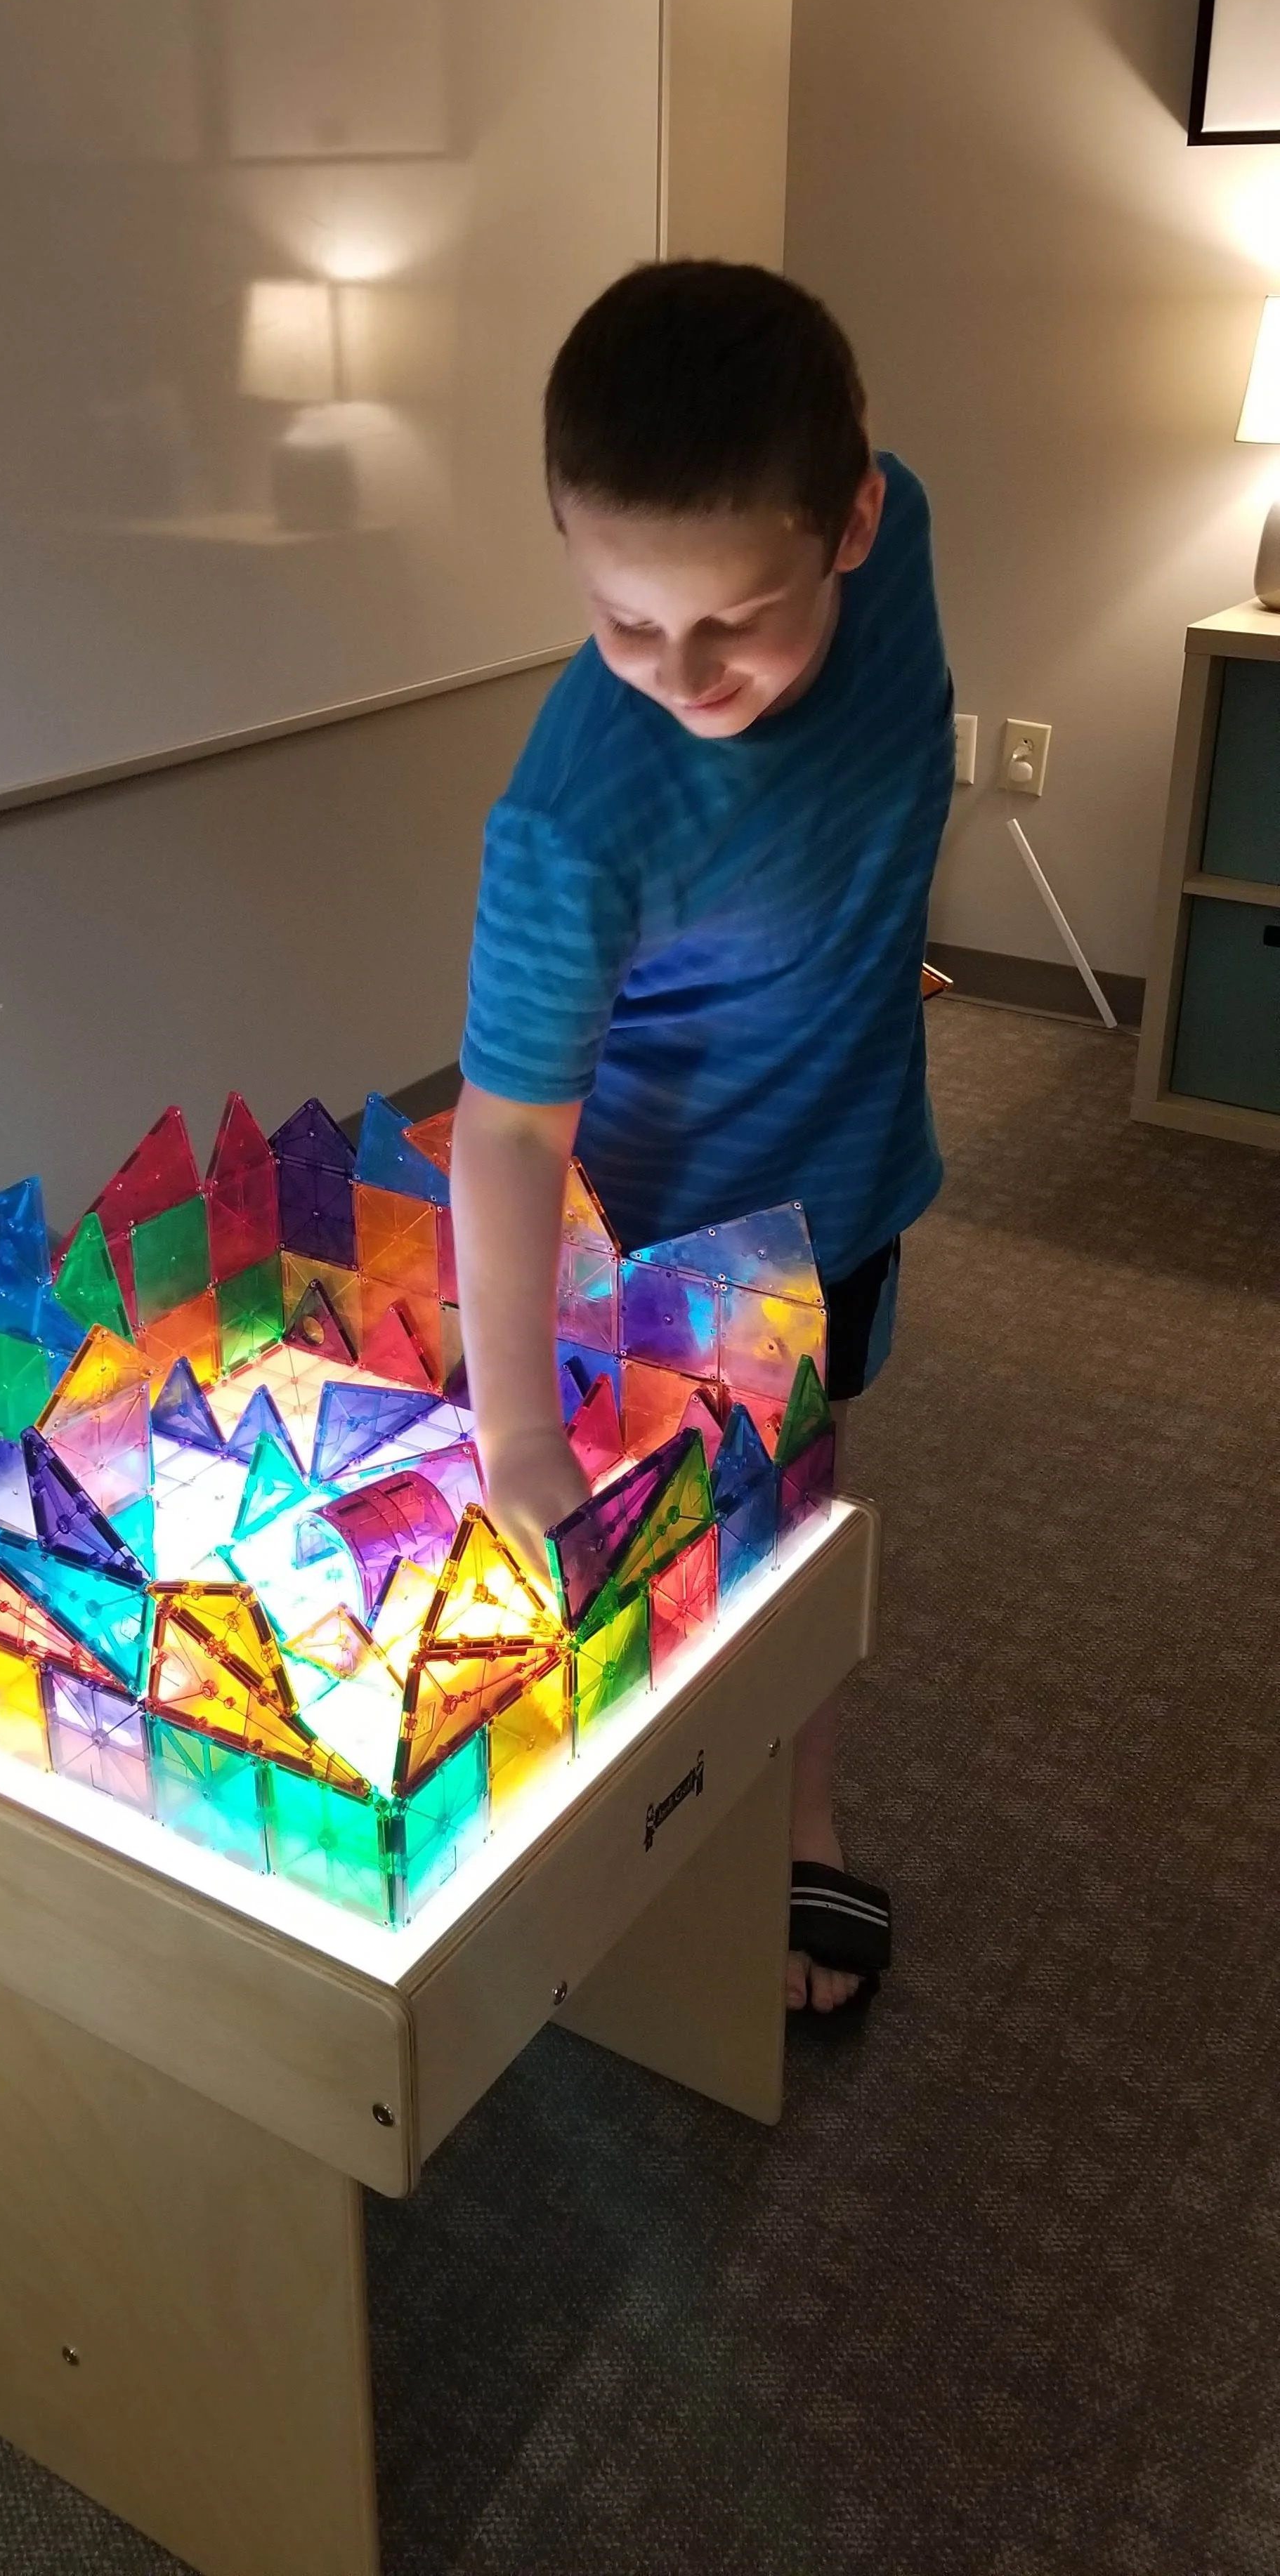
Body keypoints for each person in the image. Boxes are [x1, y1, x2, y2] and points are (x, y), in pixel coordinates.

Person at [450, 259, 953, 2018]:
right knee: (668, 1551)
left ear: (851, 524)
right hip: (655, 1228)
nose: (685, 672)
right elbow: (505, 1133)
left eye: (735, 617)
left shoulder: (906, 540)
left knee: (802, 1516)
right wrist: (514, 1426)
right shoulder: (572, 823)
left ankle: (803, 1824)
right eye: (622, 621)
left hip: (849, 1169)